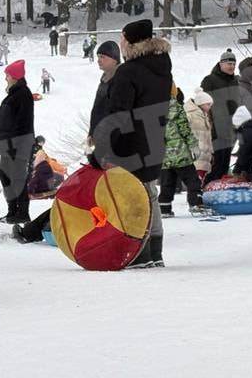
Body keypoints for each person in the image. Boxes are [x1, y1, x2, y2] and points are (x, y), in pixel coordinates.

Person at [91, 20, 172, 267]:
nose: (121, 43)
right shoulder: (163, 68)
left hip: (130, 145)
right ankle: (155, 252)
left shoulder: (129, 71)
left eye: (123, 38)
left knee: (133, 198)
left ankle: (140, 253)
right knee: (149, 194)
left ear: (133, 41)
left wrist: (101, 150)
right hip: (155, 140)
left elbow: (118, 116)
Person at [0, 60, 34, 224]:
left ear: (15, 77)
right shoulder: (14, 94)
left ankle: (22, 212)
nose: (6, 78)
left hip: (17, 146)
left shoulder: (22, 95)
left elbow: (22, 124)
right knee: (5, 176)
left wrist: (12, 145)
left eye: (8, 75)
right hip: (8, 146)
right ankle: (12, 211)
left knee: (17, 178)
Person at [159, 85, 202, 216]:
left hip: (162, 154)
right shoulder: (176, 107)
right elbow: (184, 129)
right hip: (179, 152)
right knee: (192, 180)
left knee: (167, 182)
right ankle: (196, 204)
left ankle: (164, 209)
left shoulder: (151, 108)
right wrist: (193, 144)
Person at [200, 50, 240, 182]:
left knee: (225, 161)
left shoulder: (236, 81)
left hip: (230, 128)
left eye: (233, 64)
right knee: (215, 162)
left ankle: (220, 186)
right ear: (221, 64)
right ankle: (207, 185)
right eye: (228, 63)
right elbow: (202, 102)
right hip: (215, 127)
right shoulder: (210, 80)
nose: (231, 66)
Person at [186, 89, 214, 186]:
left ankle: (198, 191)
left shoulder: (204, 115)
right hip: (196, 150)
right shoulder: (190, 114)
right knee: (196, 174)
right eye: (208, 104)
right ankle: (196, 193)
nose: (210, 107)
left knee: (201, 173)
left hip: (204, 152)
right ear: (200, 103)